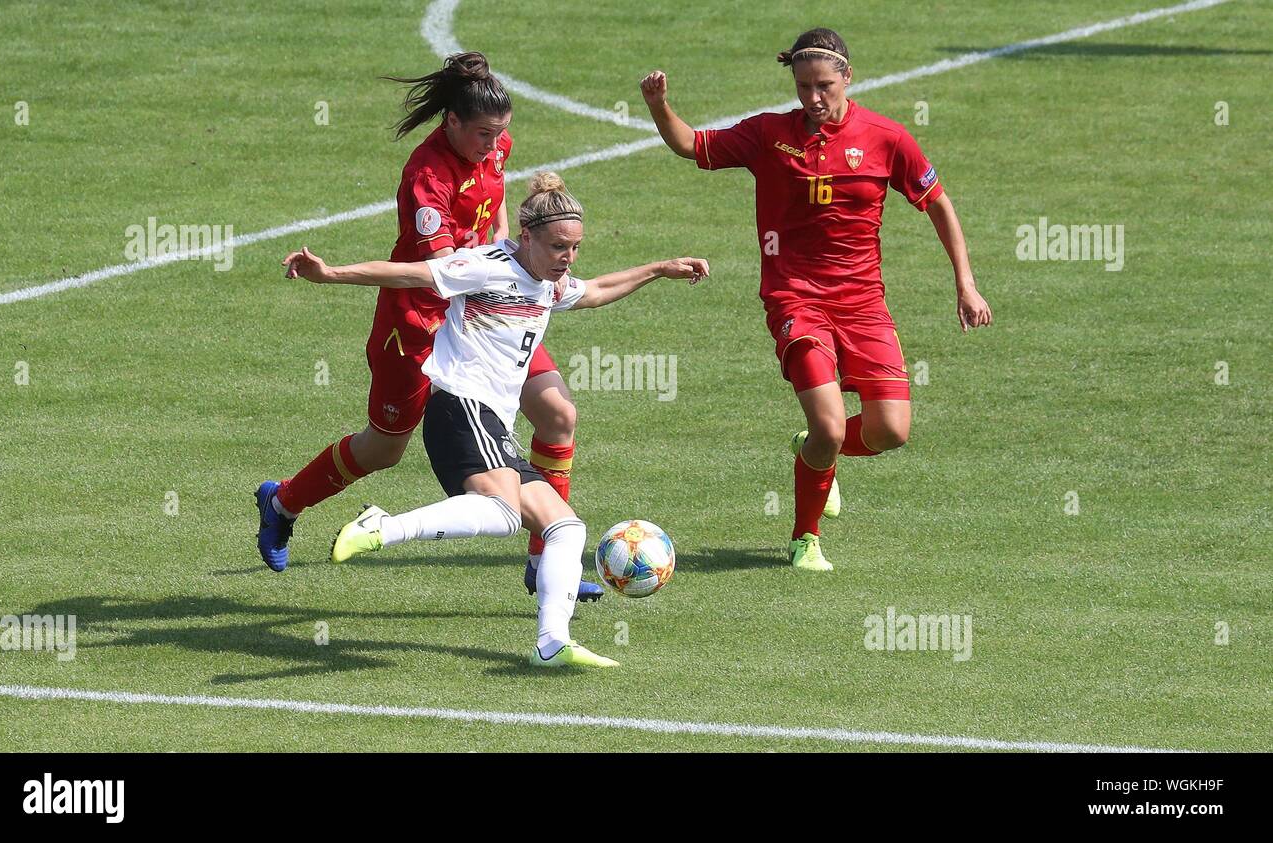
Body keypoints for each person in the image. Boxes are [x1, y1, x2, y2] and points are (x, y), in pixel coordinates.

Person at [281, 173, 709, 667]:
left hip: (492, 422)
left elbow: (594, 291)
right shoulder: (486, 266)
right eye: (557, 247)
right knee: (504, 515)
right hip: (460, 407)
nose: (567, 258)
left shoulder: (549, 282)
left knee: (565, 528)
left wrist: (659, 268)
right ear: (526, 236)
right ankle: (385, 525)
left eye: (574, 248)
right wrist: (329, 273)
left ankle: (552, 643)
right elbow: (408, 273)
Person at [640, 27, 992, 572]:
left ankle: (815, 450)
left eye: (824, 85)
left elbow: (940, 204)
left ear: (847, 77)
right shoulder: (768, 134)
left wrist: (964, 283)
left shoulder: (888, 138)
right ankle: (805, 536)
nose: (813, 98)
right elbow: (692, 146)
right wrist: (661, 106)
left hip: (863, 303)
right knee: (831, 425)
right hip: (795, 298)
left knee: (890, 431)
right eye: (803, 87)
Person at [256, 52, 596, 600]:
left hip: (488, 314)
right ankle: (282, 502)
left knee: (558, 412)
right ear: (452, 123)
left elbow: (499, 213)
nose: (495, 145)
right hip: (419, 321)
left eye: (501, 134)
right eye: (484, 134)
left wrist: (519, 261)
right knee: (385, 449)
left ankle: (544, 560)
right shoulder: (426, 177)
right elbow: (438, 272)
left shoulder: (494, 147)